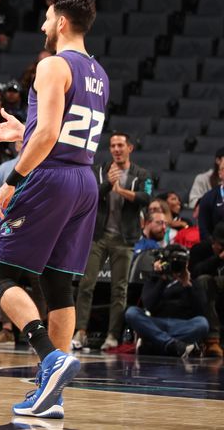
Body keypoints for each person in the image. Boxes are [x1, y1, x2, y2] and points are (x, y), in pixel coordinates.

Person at [0, 0, 109, 418]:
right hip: (84, 180)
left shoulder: (53, 64)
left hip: (50, 179)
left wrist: (13, 178)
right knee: (56, 285)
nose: (42, 26)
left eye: (47, 18)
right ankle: (52, 394)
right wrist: (26, 131)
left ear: (62, 23)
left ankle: (50, 358)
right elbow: (62, 131)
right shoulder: (98, 73)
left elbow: (50, 134)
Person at [72, 132, 152, 352]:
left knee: (119, 289)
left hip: (124, 239)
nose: (116, 149)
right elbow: (89, 195)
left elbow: (146, 198)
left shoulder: (141, 174)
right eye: (113, 146)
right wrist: (109, 184)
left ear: (130, 148)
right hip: (97, 236)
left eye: (120, 145)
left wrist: (122, 191)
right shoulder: (99, 170)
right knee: (86, 284)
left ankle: (112, 335)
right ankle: (80, 331)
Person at [125, 245, 208, 357]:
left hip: (181, 324)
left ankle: (155, 344)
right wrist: (162, 279)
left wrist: (188, 285)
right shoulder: (155, 278)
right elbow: (149, 305)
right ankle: (172, 345)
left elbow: (201, 310)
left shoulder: (193, 281)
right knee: (132, 313)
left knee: (202, 324)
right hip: (157, 322)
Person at [190, 221, 224, 358]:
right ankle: (212, 340)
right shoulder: (200, 250)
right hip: (206, 293)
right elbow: (193, 274)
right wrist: (218, 258)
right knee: (204, 281)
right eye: (221, 245)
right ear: (213, 242)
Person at [198, 159, 224, 241]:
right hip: (216, 246)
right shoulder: (209, 198)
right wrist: (216, 245)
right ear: (220, 173)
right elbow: (204, 230)